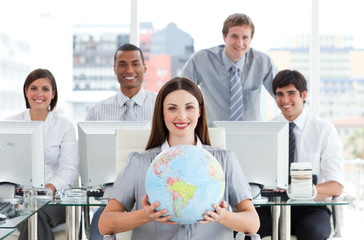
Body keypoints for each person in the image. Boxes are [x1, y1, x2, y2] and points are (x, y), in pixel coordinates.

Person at [98, 77, 260, 240]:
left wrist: (222, 216)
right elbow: (105, 224)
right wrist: (144, 215)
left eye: (189, 107)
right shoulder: (140, 162)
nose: (181, 116)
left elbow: (253, 223)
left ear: (200, 111)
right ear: (162, 113)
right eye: (172, 108)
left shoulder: (224, 160)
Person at [256, 70, 344, 240]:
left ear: (303, 95)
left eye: (291, 93)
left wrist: (297, 191)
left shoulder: (324, 130)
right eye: (279, 94)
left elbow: (336, 186)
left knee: (314, 232)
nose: (285, 100)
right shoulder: (266, 130)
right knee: (247, 229)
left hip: (311, 207)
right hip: (272, 206)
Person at [87, 43, 156, 240]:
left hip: (152, 191)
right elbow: (89, 160)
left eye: (135, 64)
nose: (129, 70)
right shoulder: (97, 111)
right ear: (115, 69)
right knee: (100, 229)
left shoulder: (162, 106)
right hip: (112, 193)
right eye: (122, 64)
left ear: (144, 67)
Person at [7, 68, 79, 240]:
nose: (39, 94)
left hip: (55, 199)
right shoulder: (11, 124)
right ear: (26, 92)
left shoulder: (64, 126)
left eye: (45, 89)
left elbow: (69, 170)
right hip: (20, 199)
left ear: (53, 94)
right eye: (33, 88)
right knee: (30, 213)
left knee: (34, 215)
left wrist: (48, 189)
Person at [181, 13, 278, 126]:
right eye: (234, 36)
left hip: (252, 134)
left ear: (251, 39)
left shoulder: (263, 62)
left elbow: (283, 95)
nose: (240, 43)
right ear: (224, 37)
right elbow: (181, 93)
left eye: (245, 37)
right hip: (213, 134)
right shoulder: (200, 60)